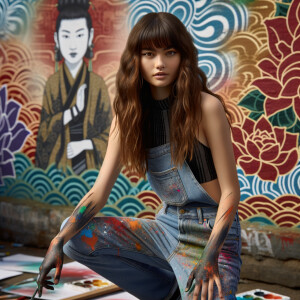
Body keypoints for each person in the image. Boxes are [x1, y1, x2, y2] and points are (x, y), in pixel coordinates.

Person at [37, 12, 242, 300]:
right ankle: (166, 291)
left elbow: (231, 192)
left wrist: (209, 257)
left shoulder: (206, 107)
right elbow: (98, 193)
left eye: (169, 52)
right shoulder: (129, 114)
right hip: (166, 226)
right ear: (137, 59)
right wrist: (57, 241)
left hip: (212, 234)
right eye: (149, 54)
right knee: (75, 237)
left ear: (183, 55)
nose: (160, 63)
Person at [35, 0, 112, 175]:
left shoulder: (97, 84)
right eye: (66, 35)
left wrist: (85, 144)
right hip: (59, 167)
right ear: (56, 38)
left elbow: (109, 134)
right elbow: (44, 134)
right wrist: (71, 113)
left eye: (79, 35)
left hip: (89, 168)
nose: (72, 44)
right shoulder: (53, 84)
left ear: (90, 36)